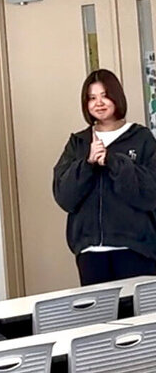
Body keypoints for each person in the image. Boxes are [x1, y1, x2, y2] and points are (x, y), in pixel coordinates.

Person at [53, 69, 156, 286]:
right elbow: (65, 197)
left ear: (117, 97)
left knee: (138, 308)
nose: (98, 103)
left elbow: (150, 193)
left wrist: (113, 162)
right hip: (90, 254)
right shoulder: (78, 143)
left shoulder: (142, 138)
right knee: (100, 309)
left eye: (105, 96)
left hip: (136, 249)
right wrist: (87, 163)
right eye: (92, 98)